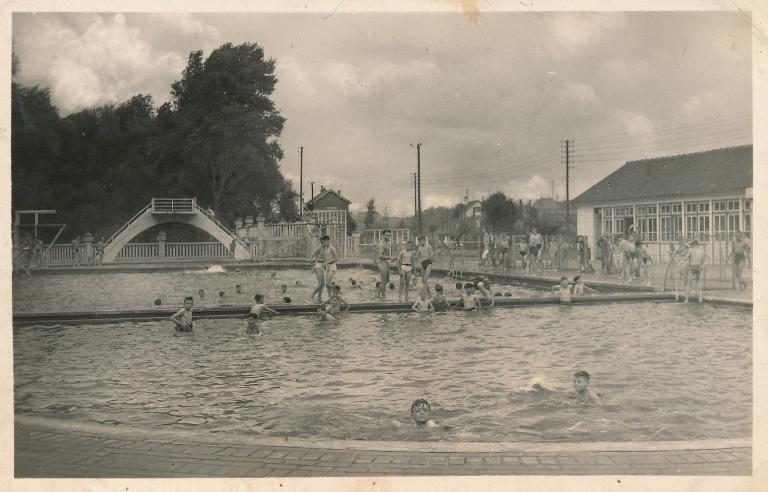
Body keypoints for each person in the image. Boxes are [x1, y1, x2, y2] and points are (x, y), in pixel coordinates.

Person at [310, 235, 338, 303]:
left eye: (324, 242)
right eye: (322, 242)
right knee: (322, 284)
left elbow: (335, 258)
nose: (323, 243)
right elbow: (312, 257)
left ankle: (335, 290)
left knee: (324, 284)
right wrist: (312, 266)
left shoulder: (331, 248)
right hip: (322, 266)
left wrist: (325, 263)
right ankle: (322, 297)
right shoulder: (323, 248)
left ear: (327, 241)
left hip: (329, 266)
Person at [683, 239, 707, 303]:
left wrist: (682, 261)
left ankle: (686, 300)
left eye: (691, 245)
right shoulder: (702, 251)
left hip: (692, 266)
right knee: (697, 282)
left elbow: (686, 258)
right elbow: (705, 261)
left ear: (693, 245)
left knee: (689, 283)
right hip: (699, 267)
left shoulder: (691, 250)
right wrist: (702, 266)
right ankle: (697, 294)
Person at [376, 230, 393, 301]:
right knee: (383, 281)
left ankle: (377, 294)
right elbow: (379, 255)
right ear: (383, 235)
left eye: (389, 235)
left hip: (385, 262)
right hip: (381, 263)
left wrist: (390, 259)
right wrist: (389, 257)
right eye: (387, 235)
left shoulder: (387, 243)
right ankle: (383, 297)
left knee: (387, 280)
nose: (388, 236)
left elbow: (385, 254)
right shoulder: (382, 244)